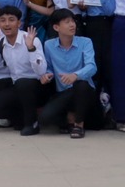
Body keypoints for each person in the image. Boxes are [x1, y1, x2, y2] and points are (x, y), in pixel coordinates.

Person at [0, 6, 46, 131]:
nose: (7, 24)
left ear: (19, 23)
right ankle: (22, 118)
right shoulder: (0, 42)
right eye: (3, 20)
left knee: (23, 83)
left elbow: (41, 71)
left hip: (36, 86)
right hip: (17, 87)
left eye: (11, 20)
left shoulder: (31, 40)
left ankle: (32, 124)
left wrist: (31, 49)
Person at [33, 9, 98, 138]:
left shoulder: (85, 42)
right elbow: (49, 67)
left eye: (73, 21)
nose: (72, 25)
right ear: (56, 27)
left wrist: (76, 75)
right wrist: (47, 75)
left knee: (81, 84)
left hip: (84, 92)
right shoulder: (49, 45)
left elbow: (92, 66)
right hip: (64, 92)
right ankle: (69, 118)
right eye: (67, 22)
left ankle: (78, 125)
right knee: (45, 119)